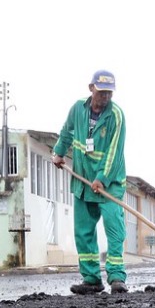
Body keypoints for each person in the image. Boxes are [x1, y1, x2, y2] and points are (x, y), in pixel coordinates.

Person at [52, 70, 128, 294]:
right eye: (101, 92)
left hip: (110, 182)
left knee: (115, 229)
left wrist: (102, 179)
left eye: (109, 93)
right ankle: (92, 279)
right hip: (83, 182)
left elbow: (114, 152)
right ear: (91, 88)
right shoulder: (78, 109)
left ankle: (116, 277)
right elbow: (66, 132)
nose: (105, 97)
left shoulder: (116, 115)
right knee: (84, 231)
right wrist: (58, 152)